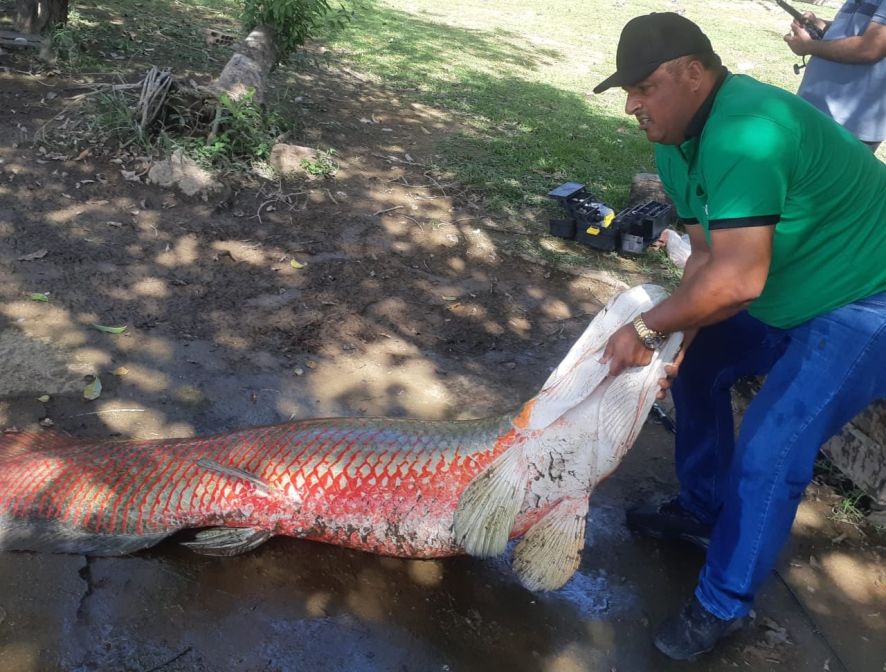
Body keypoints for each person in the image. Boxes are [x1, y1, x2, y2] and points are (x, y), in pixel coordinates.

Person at [592, 12, 886, 661]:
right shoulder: (675, 141)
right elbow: (705, 258)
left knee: (770, 451)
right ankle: (701, 510)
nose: (634, 105)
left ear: (695, 73)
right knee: (695, 371)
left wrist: (646, 328)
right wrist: (678, 341)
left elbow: (740, 281)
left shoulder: (745, 130)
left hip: (867, 294)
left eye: (645, 87)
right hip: (792, 282)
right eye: (627, 93)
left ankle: (724, 601)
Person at [785, 0, 886, 151]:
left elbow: (870, 48)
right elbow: (850, 32)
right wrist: (819, 24)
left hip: (848, 125)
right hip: (813, 109)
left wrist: (808, 46)